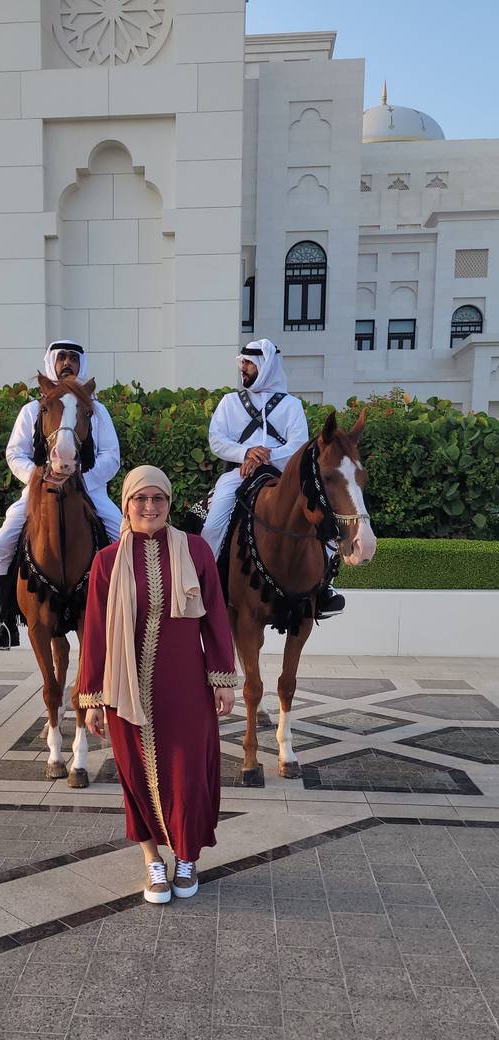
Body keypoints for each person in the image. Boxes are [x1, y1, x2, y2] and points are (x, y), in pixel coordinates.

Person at [79, 465, 237, 905]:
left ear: (169, 503)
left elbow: (216, 617)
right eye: (140, 499)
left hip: (186, 686)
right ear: (126, 504)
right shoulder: (107, 561)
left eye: (158, 499)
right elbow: (95, 633)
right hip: (125, 690)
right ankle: (151, 858)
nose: (149, 507)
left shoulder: (197, 551)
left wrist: (223, 678)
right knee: (135, 775)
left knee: (188, 774)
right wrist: (91, 697)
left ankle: (186, 857)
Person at [0, 341, 123, 649]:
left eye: (73, 358)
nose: (67, 363)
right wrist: (37, 476)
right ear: (52, 362)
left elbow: (111, 456)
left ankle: (124, 615)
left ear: (81, 364)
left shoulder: (96, 409)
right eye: (62, 358)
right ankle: (6, 620)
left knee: (124, 541)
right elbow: (15, 453)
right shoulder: (32, 409)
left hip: (89, 490)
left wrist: (82, 479)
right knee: (1, 546)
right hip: (38, 490)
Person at [202, 338, 344, 613]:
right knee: (212, 524)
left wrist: (264, 456)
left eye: (249, 364)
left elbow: (299, 445)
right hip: (239, 473)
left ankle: (324, 586)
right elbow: (216, 440)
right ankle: (205, 583)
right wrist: (246, 453)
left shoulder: (291, 405)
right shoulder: (229, 402)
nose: (242, 368)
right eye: (242, 362)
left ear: (265, 367)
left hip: (283, 476)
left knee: (321, 518)